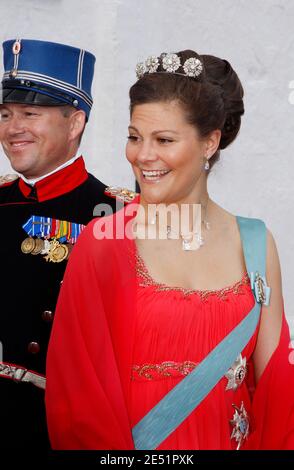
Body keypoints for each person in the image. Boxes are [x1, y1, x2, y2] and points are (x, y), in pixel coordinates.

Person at [45, 50, 294, 450]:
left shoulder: (256, 243)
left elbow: (280, 390)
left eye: (164, 140)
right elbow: (78, 401)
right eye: (134, 137)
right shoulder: (103, 242)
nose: (142, 156)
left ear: (210, 142)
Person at [0, 38, 128, 450]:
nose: (12, 128)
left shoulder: (117, 214)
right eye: (4, 114)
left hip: (54, 428)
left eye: (30, 113)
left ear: (74, 124)